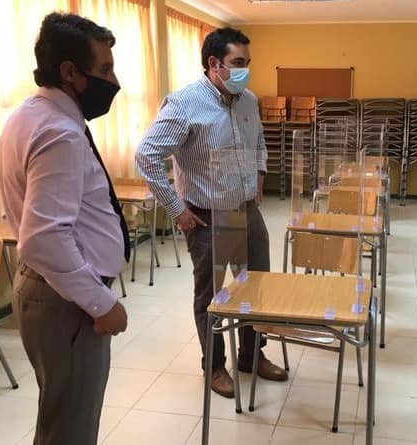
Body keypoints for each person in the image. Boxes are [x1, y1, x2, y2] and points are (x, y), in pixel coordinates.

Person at [0, 12, 129, 445]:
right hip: (68, 303)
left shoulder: (29, 116)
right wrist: (101, 303)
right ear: (70, 71)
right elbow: (45, 238)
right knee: (70, 429)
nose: (114, 81)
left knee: (59, 419)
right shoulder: (60, 132)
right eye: (105, 69)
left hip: (51, 291)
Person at [136, 27, 287, 399]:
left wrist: (260, 173)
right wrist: (177, 209)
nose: (245, 70)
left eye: (248, 63)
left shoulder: (248, 100)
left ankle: (252, 355)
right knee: (211, 297)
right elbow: (147, 156)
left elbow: (259, 140)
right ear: (214, 63)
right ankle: (215, 366)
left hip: (247, 211)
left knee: (257, 287)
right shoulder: (184, 103)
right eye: (238, 62)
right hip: (206, 217)